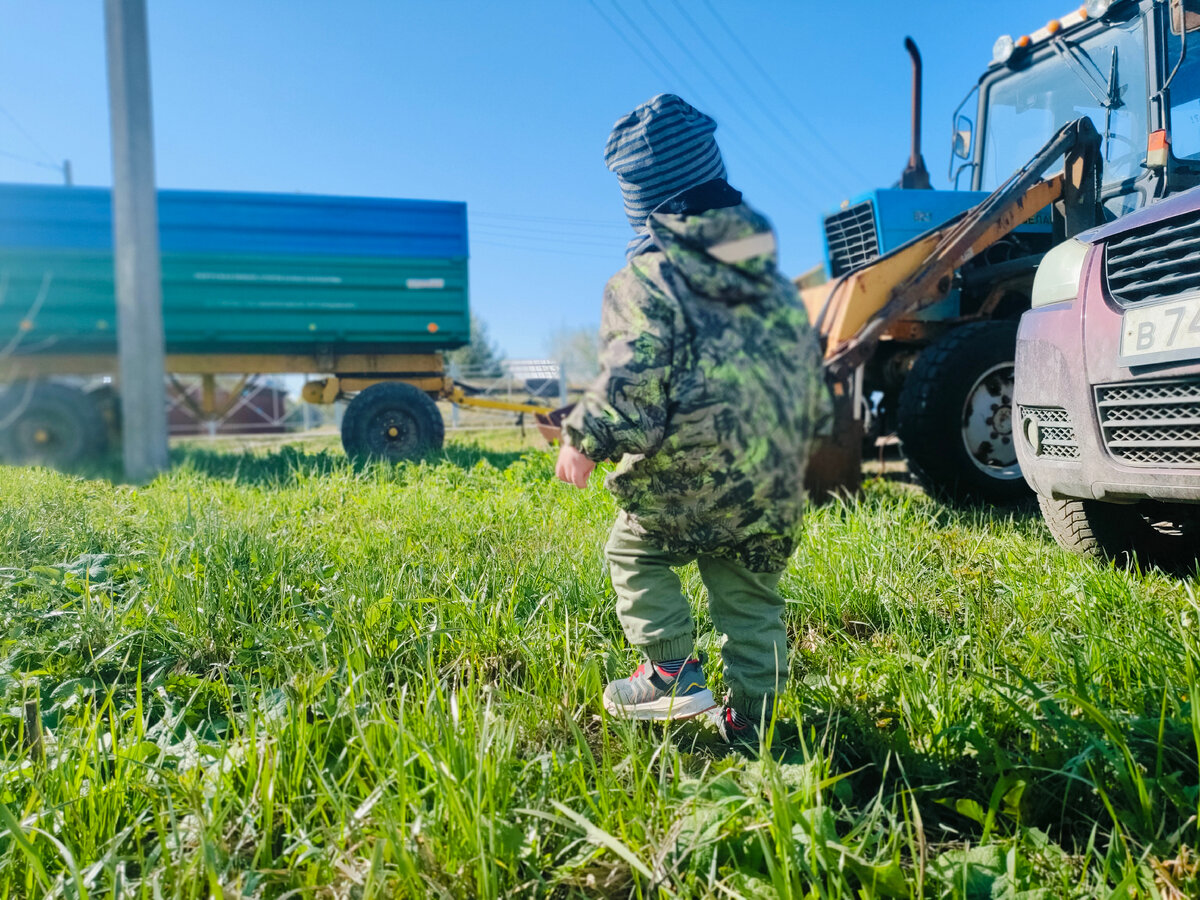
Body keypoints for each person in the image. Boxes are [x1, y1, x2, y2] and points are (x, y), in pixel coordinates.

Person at [554, 93, 830, 744]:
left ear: (642, 204)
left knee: (633, 553)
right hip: (766, 484)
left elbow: (634, 373)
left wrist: (584, 439)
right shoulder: (763, 274)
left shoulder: (649, 275)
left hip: (683, 485)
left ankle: (673, 672)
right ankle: (757, 730)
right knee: (752, 603)